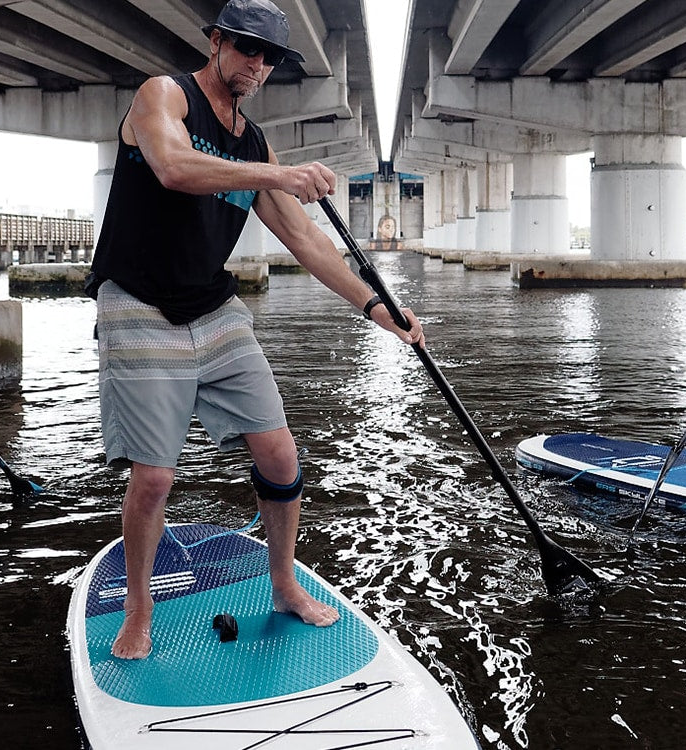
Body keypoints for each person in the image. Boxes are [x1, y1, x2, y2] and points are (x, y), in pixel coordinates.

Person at [90, 0, 425, 660]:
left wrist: (377, 307)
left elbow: (307, 241)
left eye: (271, 57)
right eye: (247, 47)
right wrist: (279, 172)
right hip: (137, 302)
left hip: (213, 308)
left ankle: (283, 586)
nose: (258, 64)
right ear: (215, 40)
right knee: (155, 477)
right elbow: (173, 167)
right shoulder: (166, 96)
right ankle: (138, 608)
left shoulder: (253, 143)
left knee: (280, 456)